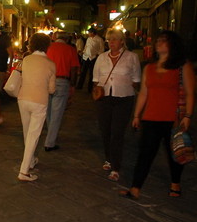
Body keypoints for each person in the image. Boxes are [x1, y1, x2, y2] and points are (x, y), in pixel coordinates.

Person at [120, 30, 195, 200]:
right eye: (158, 40)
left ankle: (175, 183)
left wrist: (188, 116)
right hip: (151, 117)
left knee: (175, 153)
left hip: (173, 119)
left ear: (172, 44)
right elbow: (144, 93)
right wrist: (137, 115)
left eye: (163, 40)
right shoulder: (149, 67)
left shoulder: (182, 66)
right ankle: (135, 188)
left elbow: (190, 93)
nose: (158, 43)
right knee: (145, 154)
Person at [93, 29, 141, 181]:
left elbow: (136, 79)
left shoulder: (131, 57)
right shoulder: (101, 57)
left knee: (117, 132)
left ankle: (116, 166)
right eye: (109, 39)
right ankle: (109, 157)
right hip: (104, 99)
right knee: (105, 130)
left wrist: (123, 84)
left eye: (115, 39)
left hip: (124, 98)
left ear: (122, 41)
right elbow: (95, 78)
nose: (111, 42)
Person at [16, 33, 56, 182]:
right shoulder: (51, 64)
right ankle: (24, 171)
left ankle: (31, 160)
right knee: (33, 135)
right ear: (47, 46)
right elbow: (52, 90)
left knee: (27, 132)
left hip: (23, 98)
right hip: (39, 101)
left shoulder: (26, 60)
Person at [44, 32, 80, 152]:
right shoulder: (70, 50)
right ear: (67, 39)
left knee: (48, 112)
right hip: (62, 81)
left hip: (47, 80)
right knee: (56, 113)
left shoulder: (48, 48)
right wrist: (73, 85)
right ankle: (50, 142)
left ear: (56, 38)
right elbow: (74, 69)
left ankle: (50, 136)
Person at [77, 28, 104, 92]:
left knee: (92, 73)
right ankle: (79, 85)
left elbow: (101, 49)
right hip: (86, 57)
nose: (88, 34)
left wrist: (98, 55)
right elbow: (86, 46)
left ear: (92, 33)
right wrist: (83, 52)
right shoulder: (88, 39)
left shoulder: (99, 39)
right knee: (83, 72)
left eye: (89, 32)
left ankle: (90, 88)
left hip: (93, 57)